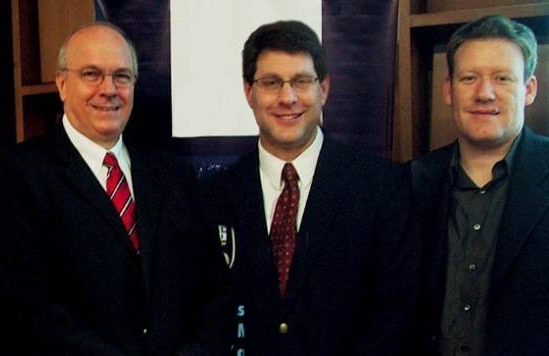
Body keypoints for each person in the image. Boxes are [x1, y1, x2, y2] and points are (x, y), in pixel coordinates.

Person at [0, 22, 233, 355]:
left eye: (122, 76)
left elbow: (214, 292)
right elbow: (25, 306)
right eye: (91, 74)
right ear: (62, 84)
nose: (109, 89)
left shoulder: (174, 176)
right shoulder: (17, 176)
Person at [201, 20, 418, 355]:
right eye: (271, 82)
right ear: (249, 92)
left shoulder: (381, 187)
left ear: (324, 89)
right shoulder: (213, 196)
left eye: (302, 81)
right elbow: (204, 314)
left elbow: (393, 315)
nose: (287, 98)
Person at [410, 15, 545, 355]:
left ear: (529, 90)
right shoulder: (409, 183)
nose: (484, 93)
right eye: (469, 78)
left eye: (502, 78)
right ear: (448, 90)